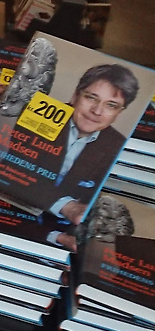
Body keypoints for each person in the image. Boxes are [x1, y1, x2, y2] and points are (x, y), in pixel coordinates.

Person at [43, 64, 141, 225]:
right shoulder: (41, 115)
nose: (97, 111)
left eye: (111, 105)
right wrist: (66, 206)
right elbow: (11, 177)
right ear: (75, 96)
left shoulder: (118, 146)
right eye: (91, 98)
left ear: (119, 113)